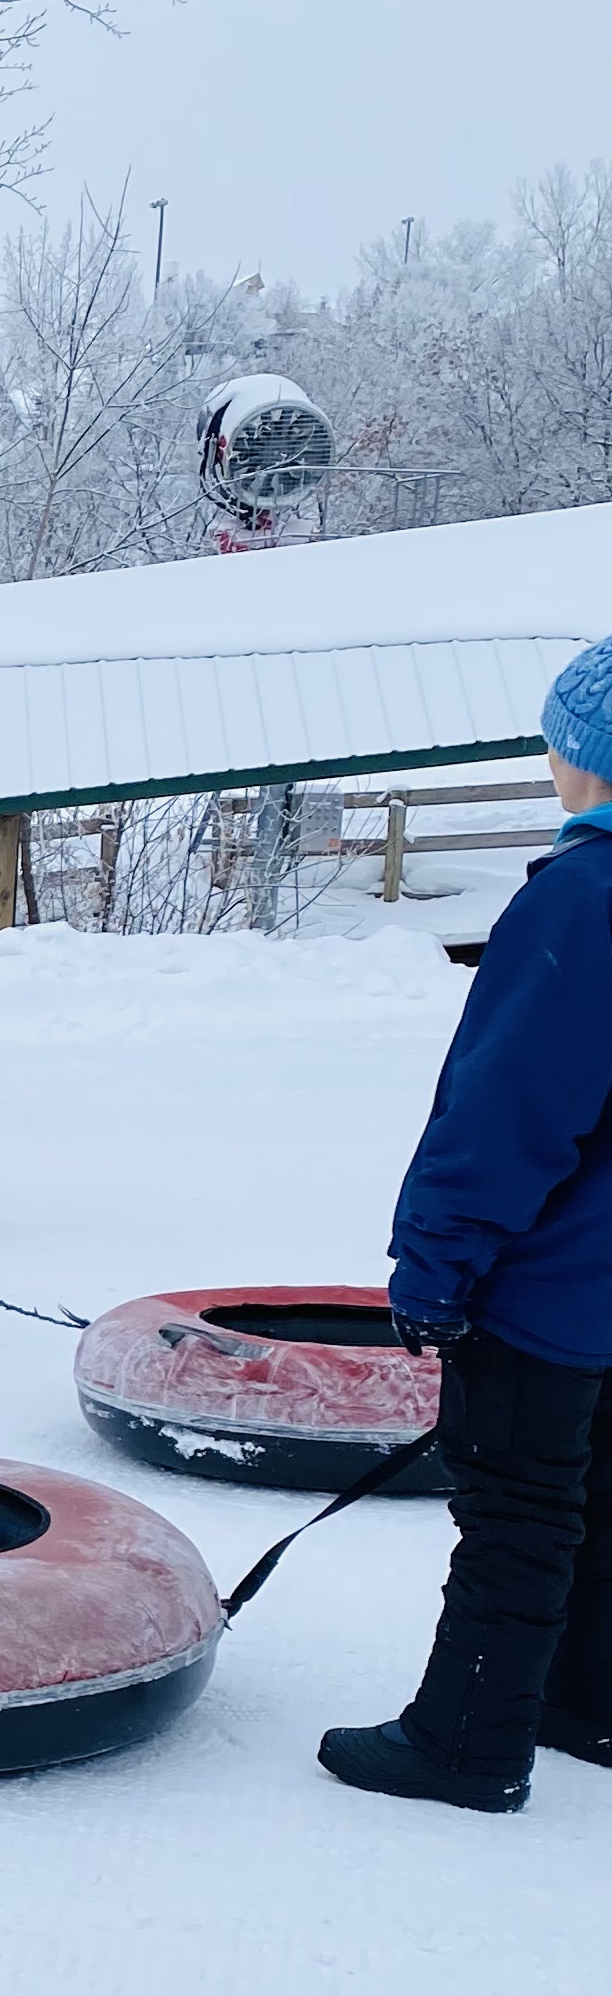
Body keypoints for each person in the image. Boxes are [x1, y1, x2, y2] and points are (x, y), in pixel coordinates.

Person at [319, 643, 612, 1813]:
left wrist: (438, 1264)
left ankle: (466, 1743)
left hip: (552, 1285)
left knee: (518, 1509)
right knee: (597, 1496)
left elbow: (511, 1113)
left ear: (583, 758)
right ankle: (586, 1700)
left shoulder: (582, 902)